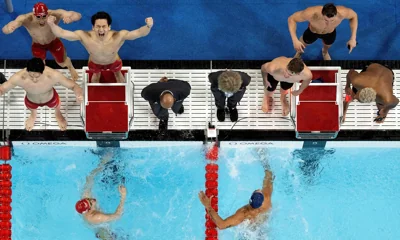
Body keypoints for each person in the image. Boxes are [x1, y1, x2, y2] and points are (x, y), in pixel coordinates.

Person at [47, 11, 153, 83]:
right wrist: (52, 25)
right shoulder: (84, 36)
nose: (101, 30)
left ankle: (120, 84)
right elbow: (61, 33)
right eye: (98, 26)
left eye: (104, 26)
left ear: (109, 27)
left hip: (114, 62)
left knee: (118, 75)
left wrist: (148, 26)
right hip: (94, 63)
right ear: (93, 27)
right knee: (95, 77)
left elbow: (139, 33)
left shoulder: (119, 36)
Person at [2, 2, 81, 81]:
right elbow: (6, 28)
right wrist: (9, 28)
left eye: (44, 16)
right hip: (37, 45)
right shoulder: (26, 19)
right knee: (40, 65)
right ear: (34, 15)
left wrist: (71, 18)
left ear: (47, 13)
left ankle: (71, 68)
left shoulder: (54, 14)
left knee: (62, 63)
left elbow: (77, 15)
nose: (42, 20)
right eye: (38, 17)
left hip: (54, 42)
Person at [0, 58, 83, 131]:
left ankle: (58, 113)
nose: (34, 79)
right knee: (32, 108)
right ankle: (33, 115)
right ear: (27, 71)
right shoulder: (19, 77)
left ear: (43, 71)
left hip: (51, 98)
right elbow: (2, 89)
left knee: (56, 106)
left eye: (37, 76)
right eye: (31, 76)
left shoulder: (52, 75)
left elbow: (73, 86)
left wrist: (78, 94)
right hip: (31, 100)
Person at [198, 155, 273, 230]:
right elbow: (269, 175)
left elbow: (221, 225)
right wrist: (264, 161)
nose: (259, 189)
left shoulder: (243, 213)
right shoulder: (267, 199)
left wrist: (208, 206)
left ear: (250, 200)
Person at [75, 152, 127, 239]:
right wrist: (123, 196)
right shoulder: (97, 217)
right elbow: (117, 215)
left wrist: (103, 162)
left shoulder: (86, 196)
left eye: (89, 200)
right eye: (91, 203)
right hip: (102, 230)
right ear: (88, 210)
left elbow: (89, 177)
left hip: (94, 224)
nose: (92, 200)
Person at [288, 3, 358, 60]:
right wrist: (295, 40)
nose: (328, 23)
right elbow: (292, 19)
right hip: (313, 32)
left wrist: (353, 38)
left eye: (332, 20)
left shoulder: (343, 12)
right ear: (322, 13)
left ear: (336, 14)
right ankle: (299, 52)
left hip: (330, 33)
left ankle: (325, 52)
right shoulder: (311, 13)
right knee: (303, 43)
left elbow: (354, 16)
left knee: (327, 45)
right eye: (326, 20)